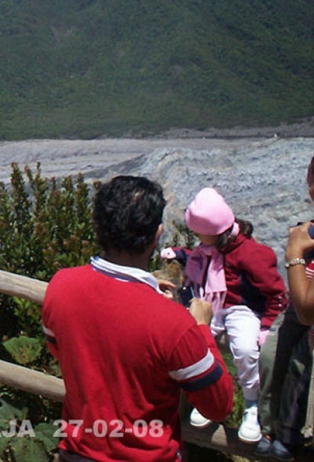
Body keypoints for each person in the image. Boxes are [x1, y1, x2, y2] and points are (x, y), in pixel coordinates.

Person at [42, 175, 235, 462]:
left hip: (77, 451)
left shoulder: (61, 286)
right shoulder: (174, 324)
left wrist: (145, 289)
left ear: (98, 227)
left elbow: (63, 349)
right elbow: (219, 405)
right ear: (157, 234)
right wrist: (201, 327)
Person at [160, 187, 287, 441]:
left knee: (245, 349)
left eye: (199, 232)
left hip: (241, 308)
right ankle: (208, 394)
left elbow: (275, 292)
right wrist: (180, 254)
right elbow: (201, 259)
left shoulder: (251, 254)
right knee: (195, 338)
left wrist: (266, 325)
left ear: (214, 231)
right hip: (212, 302)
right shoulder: (212, 246)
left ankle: (251, 404)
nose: (196, 236)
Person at [257, 156, 314, 460]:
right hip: (298, 308)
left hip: (307, 311)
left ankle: (292, 433)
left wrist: (294, 254)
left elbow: (307, 310)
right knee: (270, 355)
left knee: (301, 364)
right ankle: (268, 426)